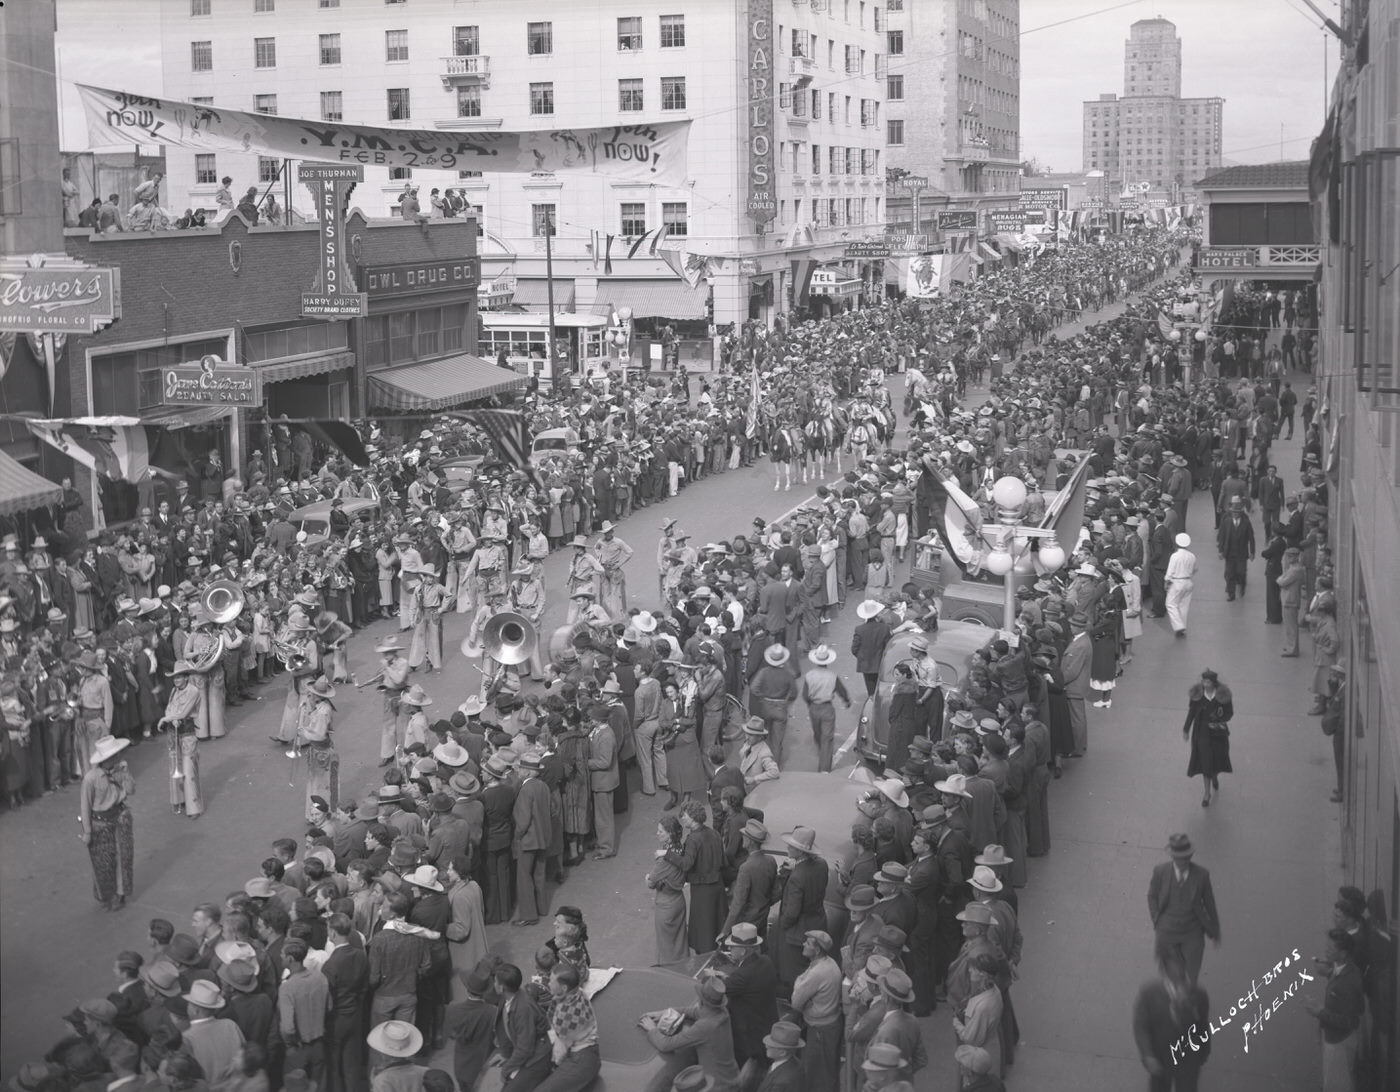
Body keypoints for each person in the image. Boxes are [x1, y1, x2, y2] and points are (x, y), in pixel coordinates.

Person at [641, 976, 741, 1092]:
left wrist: (652, 1029)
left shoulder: (705, 1026)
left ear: (701, 1001)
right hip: (732, 1076)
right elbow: (693, 1012)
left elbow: (666, 1045)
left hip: (719, 1086)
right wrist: (666, 1012)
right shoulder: (722, 1013)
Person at [1131, 952, 1211, 1092]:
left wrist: (1204, 1051)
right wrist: (1148, 1055)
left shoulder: (1198, 994)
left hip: (1188, 1059)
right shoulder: (1149, 993)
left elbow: (1202, 1025)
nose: (1180, 969)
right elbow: (1141, 1027)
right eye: (1175, 965)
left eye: (1182, 964)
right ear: (1165, 968)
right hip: (1160, 1058)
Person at [1147, 834, 1220, 985]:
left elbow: (1209, 903)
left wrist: (1215, 929)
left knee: (1192, 973)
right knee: (1170, 971)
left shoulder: (1202, 875)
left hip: (1192, 931)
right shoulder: (1160, 872)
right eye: (1179, 858)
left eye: (1187, 857)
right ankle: (1174, 996)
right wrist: (1157, 920)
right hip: (1167, 930)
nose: (1184, 861)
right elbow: (1152, 896)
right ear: (1172, 857)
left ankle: (1188, 997)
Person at [80, 735, 136, 911]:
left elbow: (132, 790)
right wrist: (87, 832)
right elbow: (85, 806)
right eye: (114, 755)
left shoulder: (121, 770)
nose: (118, 757)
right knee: (103, 862)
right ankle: (106, 895)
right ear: (105, 759)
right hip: (100, 823)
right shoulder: (91, 778)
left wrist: (125, 774)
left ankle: (120, 894)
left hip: (120, 816)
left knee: (123, 857)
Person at [1307, 929, 1365, 1092]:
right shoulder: (1344, 970)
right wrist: (1329, 972)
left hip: (1339, 1043)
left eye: (1330, 949)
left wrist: (1320, 1012)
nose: (1326, 951)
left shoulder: (1349, 981)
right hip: (1335, 1039)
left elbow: (1350, 1021)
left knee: (1336, 1086)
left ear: (1343, 953)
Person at [791, 930, 843, 1092]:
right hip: (832, 1024)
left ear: (817, 950)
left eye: (807, 943)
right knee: (829, 1069)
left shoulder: (816, 973)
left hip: (820, 1030)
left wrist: (799, 982)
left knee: (818, 1075)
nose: (803, 944)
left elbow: (796, 1002)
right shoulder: (830, 963)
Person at [535, 963, 599, 1092]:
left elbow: (560, 1053)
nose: (548, 984)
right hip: (591, 1053)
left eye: (552, 982)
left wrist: (554, 1066)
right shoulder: (578, 993)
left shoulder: (565, 1014)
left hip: (581, 1061)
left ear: (563, 988)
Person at [160, 661, 203, 819]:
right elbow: (169, 708)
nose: (176, 680)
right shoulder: (173, 691)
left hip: (187, 733)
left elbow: (184, 713)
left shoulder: (193, 691)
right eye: (174, 677)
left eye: (179, 677)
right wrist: (170, 718)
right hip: (173, 732)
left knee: (189, 769)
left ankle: (194, 807)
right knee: (174, 769)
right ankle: (179, 800)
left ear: (186, 677)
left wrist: (167, 719)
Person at [1182, 669, 1232, 807]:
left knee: (1215, 760)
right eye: (1203, 681)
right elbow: (1191, 713)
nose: (1205, 683)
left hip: (1217, 734)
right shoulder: (1197, 696)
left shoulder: (1223, 696)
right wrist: (1186, 728)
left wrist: (1220, 717)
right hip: (1202, 732)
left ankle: (1215, 776)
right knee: (1205, 761)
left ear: (1213, 683)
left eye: (1208, 681)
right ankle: (1206, 793)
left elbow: (1229, 713)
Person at [647, 814, 689, 965]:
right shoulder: (679, 849)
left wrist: (648, 878)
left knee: (666, 947)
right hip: (678, 901)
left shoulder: (664, 860)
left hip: (665, 905)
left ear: (670, 833)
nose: (657, 834)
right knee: (680, 943)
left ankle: (668, 975)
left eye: (661, 831)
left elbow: (651, 882)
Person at [802, 645, 850, 773]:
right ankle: (824, 767)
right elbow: (841, 691)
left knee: (818, 734)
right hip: (827, 708)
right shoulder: (832, 676)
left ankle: (822, 754)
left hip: (814, 707)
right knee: (827, 738)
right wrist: (846, 701)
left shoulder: (809, 675)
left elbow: (805, 695)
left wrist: (810, 704)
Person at [299, 676, 339, 822]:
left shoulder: (323, 712)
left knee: (320, 785)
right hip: (319, 750)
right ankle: (316, 813)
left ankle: (321, 814)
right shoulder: (321, 705)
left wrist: (304, 732)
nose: (310, 695)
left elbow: (320, 735)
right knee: (317, 783)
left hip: (322, 752)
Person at [1216, 496, 1255, 601]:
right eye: (1234, 512)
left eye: (1237, 513)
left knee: (1241, 572)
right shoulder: (1226, 522)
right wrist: (1220, 550)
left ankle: (1242, 585)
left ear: (1240, 513)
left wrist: (1252, 552)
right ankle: (1231, 594)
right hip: (1229, 553)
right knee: (1229, 574)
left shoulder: (1246, 523)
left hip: (1242, 553)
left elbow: (1251, 538)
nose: (1235, 514)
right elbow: (1222, 536)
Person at [1164, 532, 1197, 637]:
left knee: (1170, 604)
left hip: (1177, 581)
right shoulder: (1192, 556)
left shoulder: (1175, 556)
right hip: (1188, 581)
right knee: (1184, 605)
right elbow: (1195, 569)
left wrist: (1166, 582)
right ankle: (1182, 626)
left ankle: (1179, 626)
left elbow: (1170, 571)